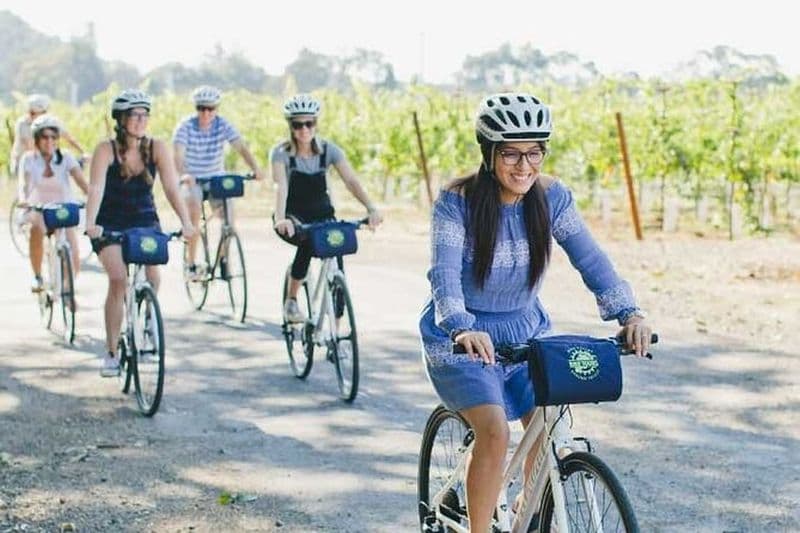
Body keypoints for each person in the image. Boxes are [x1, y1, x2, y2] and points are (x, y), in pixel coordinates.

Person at [418, 92, 653, 531]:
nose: (524, 165)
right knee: (495, 433)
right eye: (510, 152)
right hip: (463, 339)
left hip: (526, 334)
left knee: (546, 434)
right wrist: (460, 326)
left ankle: (525, 519)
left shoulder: (552, 199)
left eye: (534, 151)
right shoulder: (458, 201)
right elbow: (443, 275)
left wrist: (629, 313)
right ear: (489, 154)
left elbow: (592, 259)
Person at [85, 89, 194, 377]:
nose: (139, 120)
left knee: (153, 274)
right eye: (133, 115)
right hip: (110, 221)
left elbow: (171, 187)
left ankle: (146, 323)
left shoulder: (156, 147)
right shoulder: (105, 149)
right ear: (120, 120)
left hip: (144, 218)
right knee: (118, 279)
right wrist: (91, 223)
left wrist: (186, 222)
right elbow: (95, 188)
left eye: (144, 115)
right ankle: (111, 352)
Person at [271, 93, 383, 322]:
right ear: (290, 126)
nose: (304, 129)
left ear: (316, 124)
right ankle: (291, 301)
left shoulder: (329, 150)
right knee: (306, 243)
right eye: (298, 124)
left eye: (309, 123)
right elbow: (280, 186)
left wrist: (371, 208)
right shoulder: (282, 154)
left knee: (336, 248)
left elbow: (351, 181)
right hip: (293, 216)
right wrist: (281, 219)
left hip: (322, 214)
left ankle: (337, 327)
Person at [173, 85, 265, 278]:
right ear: (196, 108)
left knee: (229, 219)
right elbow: (178, 157)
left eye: (210, 109)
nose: (206, 113)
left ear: (217, 109)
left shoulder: (223, 124)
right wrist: (184, 175)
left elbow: (241, 147)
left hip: (216, 178)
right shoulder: (185, 127)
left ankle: (223, 258)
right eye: (201, 108)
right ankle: (191, 264)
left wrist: (255, 168)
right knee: (194, 215)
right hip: (193, 179)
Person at [18, 114, 89, 293]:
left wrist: (92, 196)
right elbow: (23, 184)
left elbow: (81, 180)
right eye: (44, 137)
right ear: (36, 139)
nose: (49, 141)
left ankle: (67, 291)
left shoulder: (65, 157)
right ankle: (38, 276)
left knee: (73, 253)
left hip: (63, 210)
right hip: (39, 209)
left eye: (53, 137)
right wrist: (23, 200)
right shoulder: (28, 159)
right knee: (35, 230)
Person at [9, 94, 86, 177]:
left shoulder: (52, 122)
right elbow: (31, 147)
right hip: (23, 165)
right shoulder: (23, 124)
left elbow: (68, 137)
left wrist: (83, 152)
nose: (30, 115)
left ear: (44, 113)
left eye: (34, 113)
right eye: (30, 112)